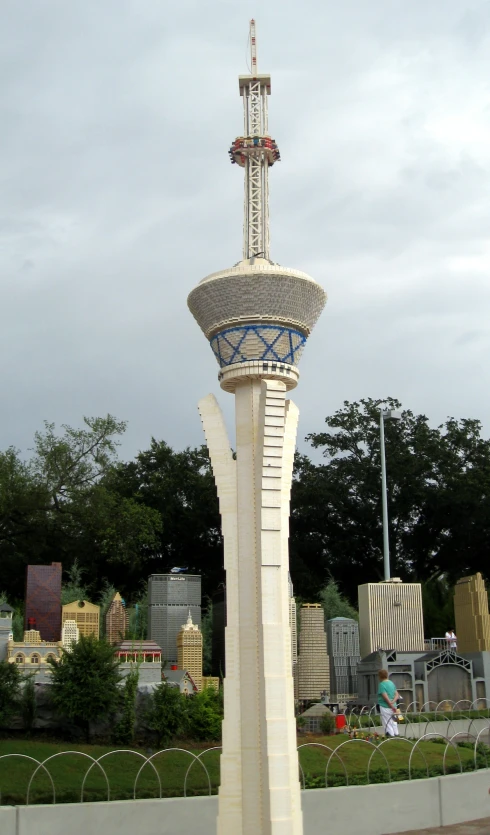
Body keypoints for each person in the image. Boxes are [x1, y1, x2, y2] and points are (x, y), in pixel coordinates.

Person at [377, 669, 400, 737]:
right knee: (394, 721)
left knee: (387, 722)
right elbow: (397, 695)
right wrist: (393, 702)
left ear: (380, 676)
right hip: (394, 706)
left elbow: (385, 696)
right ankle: (396, 734)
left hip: (385, 706)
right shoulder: (391, 683)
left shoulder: (382, 684)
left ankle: (390, 735)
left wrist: (390, 704)